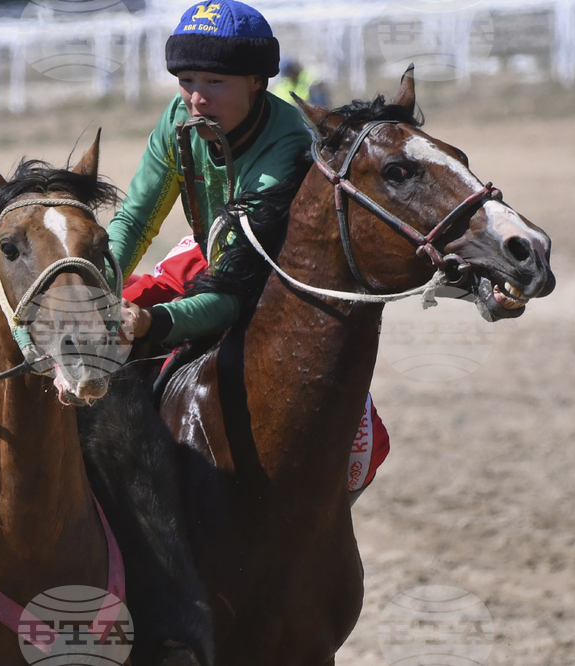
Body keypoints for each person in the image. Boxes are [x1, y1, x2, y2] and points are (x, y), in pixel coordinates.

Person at [110, 1, 388, 498]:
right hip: (205, 256)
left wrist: (153, 323)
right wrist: (95, 285)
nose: (196, 98)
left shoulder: (288, 144)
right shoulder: (176, 119)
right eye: (186, 79)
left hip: (276, 282)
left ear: (257, 81)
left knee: (364, 447)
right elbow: (132, 223)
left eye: (215, 82)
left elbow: (233, 289)